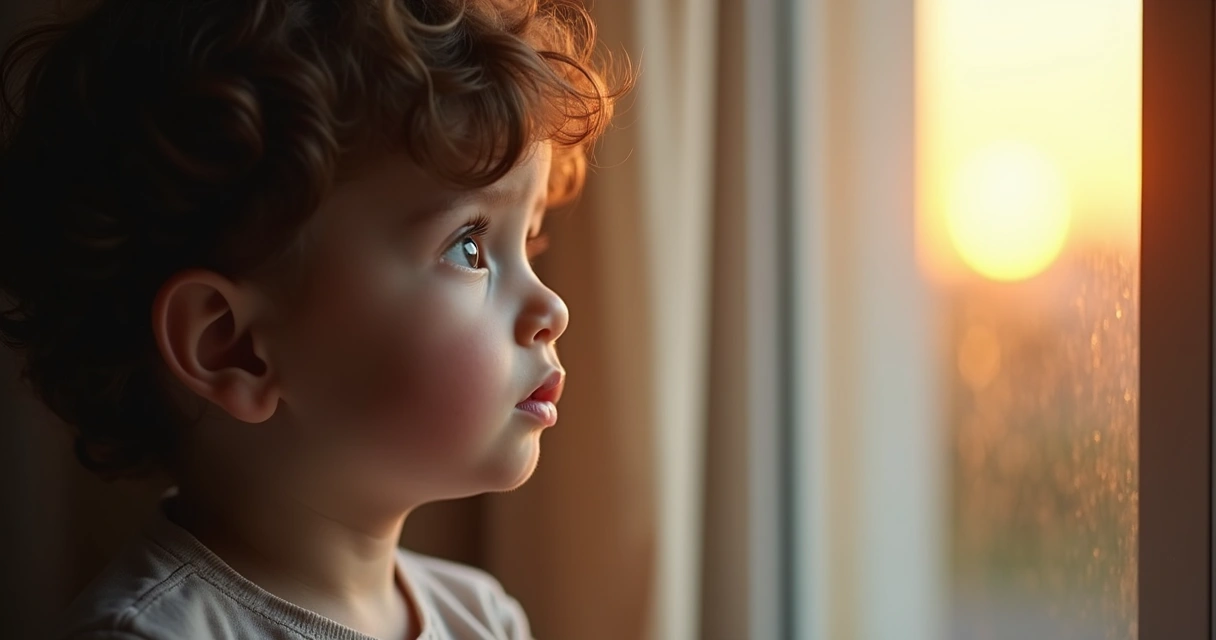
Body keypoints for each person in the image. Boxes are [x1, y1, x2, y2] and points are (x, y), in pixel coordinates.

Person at [0, 0, 629, 637]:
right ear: (234, 346)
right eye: (468, 247)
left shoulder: (485, 618)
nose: (553, 309)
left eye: (530, 241)